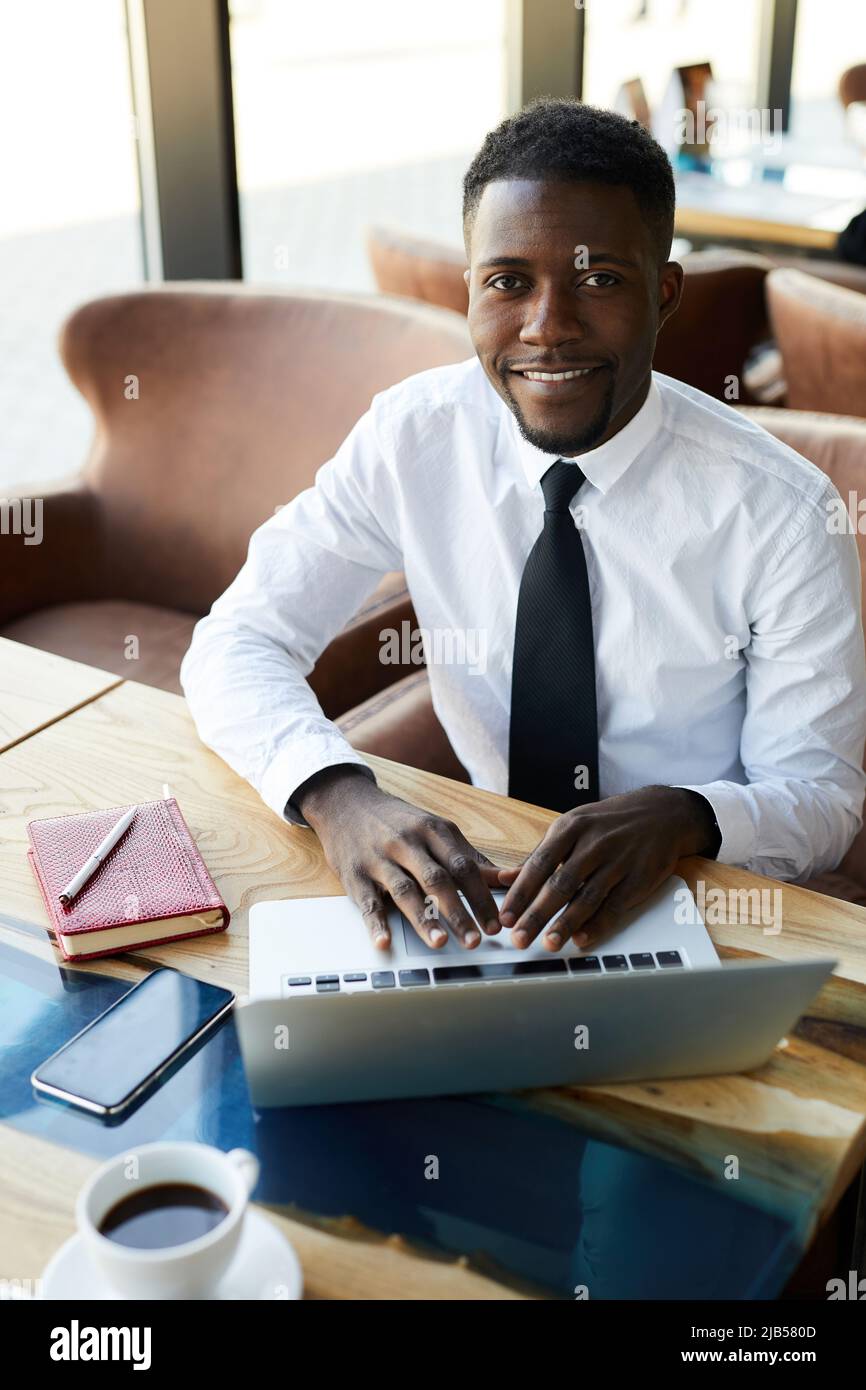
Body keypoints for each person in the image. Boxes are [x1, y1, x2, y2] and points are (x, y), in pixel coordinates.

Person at [181, 98, 866, 957]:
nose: (548, 328)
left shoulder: (785, 512)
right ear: (471, 290)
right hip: (487, 880)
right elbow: (235, 642)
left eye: (600, 280)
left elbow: (820, 799)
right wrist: (336, 791)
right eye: (509, 282)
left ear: (664, 294)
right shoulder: (413, 437)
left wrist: (688, 816)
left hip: (703, 894)